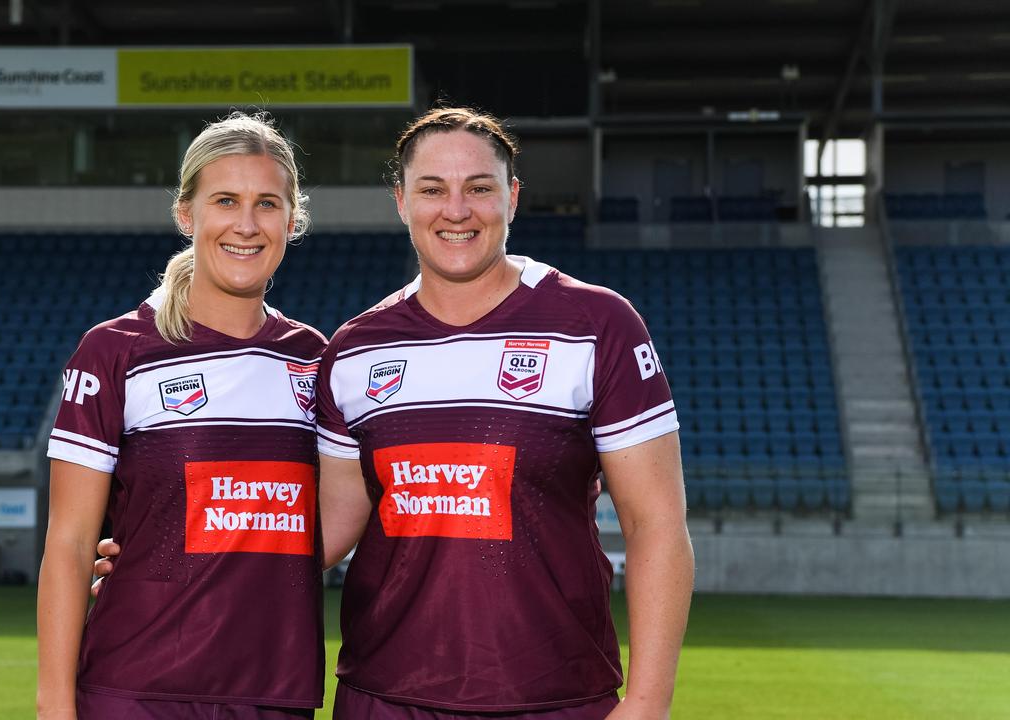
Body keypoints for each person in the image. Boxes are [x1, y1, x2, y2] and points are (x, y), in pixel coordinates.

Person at [97, 107, 694, 720]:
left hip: (553, 695)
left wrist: (647, 701)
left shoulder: (596, 325)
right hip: (383, 696)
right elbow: (321, 525)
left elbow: (658, 527)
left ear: (512, 199)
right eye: (432, 189)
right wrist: (153, 549)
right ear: (401, 201)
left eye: (480, 189)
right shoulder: (356, 350)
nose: (455, 210)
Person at [37, 111, 326, 720]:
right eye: (225, 200)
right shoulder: (115, 350)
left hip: (276, 690)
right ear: (186, 214)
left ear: (291, 219)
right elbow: (68, 543)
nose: (246, 225)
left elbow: (350, 509)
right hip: (136, 691)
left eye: (267, 204)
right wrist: (55, 707)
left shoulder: (317, 360)